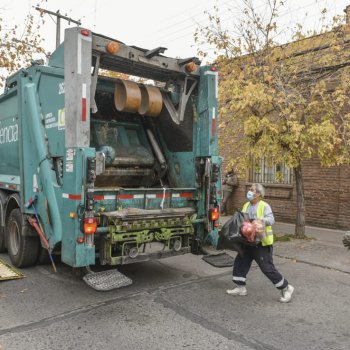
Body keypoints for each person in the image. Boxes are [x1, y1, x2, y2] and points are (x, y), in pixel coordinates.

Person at [226, 183, 294, 303]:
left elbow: (271, 220)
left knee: (267, 268)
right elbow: (242, 219)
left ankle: (286, 288)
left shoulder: (264, 205)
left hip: (261, 243)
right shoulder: (246, 205)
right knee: (240, 262)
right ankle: (240, 287)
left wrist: (260, 221)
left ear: (258, 193)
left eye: (251, 190)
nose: (249, 191)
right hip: (247, 242)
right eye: (249, 189)